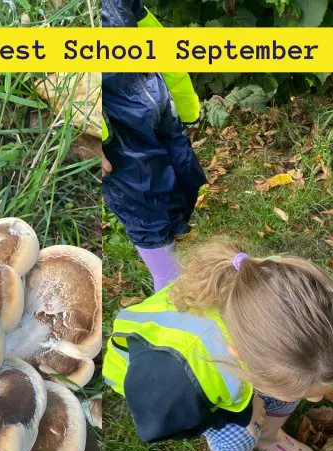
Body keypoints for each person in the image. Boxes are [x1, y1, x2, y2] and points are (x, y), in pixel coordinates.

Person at [103, 242, 333, 451]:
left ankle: (269, 436)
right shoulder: (182, 377)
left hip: (230, 365)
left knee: (282, 397)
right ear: (241, 359)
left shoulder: (275, 281)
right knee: (241, 430)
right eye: (311, 392)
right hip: (161, 384)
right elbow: (159, 422)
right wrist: (239, 415)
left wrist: (272, 397)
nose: (317, 399)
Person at [101, 0, 206, 291]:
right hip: (116, 133)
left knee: (182, 180)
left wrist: (182, 99)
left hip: (153, 102)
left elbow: (150, 31)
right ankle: (170, 289)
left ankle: (174, 251)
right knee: (145, 206)